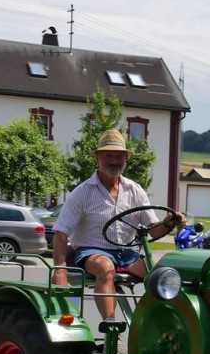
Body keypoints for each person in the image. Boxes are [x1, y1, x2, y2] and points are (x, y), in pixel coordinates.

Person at [51, 129, 184, 321]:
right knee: (106, 268)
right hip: (92, 251)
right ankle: (111, 330)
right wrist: (60, 271)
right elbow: (61, 233)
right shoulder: (82, 192)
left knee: (162, 276)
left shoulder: (134, 190)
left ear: (125, 159)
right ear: (97, 157)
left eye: (119, 156)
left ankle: (158, 325)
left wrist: (169, 221)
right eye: (108, 156)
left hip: (127, 254)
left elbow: (152, 230)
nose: (114, 161)